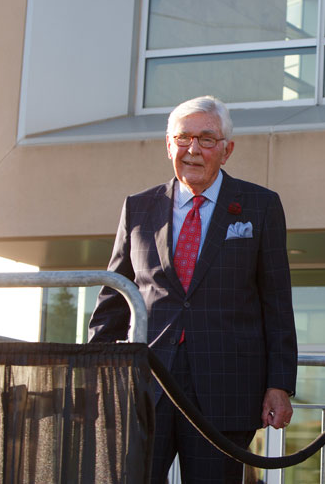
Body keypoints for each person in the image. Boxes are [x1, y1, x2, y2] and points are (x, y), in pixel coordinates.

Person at [89, 95, 298, 483]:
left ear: (226, 150)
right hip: (147, 386)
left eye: (206, 139)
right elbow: (114, 297)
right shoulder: (138, 208)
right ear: (168, 144)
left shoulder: (261, 206)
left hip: (226, 388)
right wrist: (97, 373)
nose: (193, 150)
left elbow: (277, 304)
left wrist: (280, 384)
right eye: (183, 138)